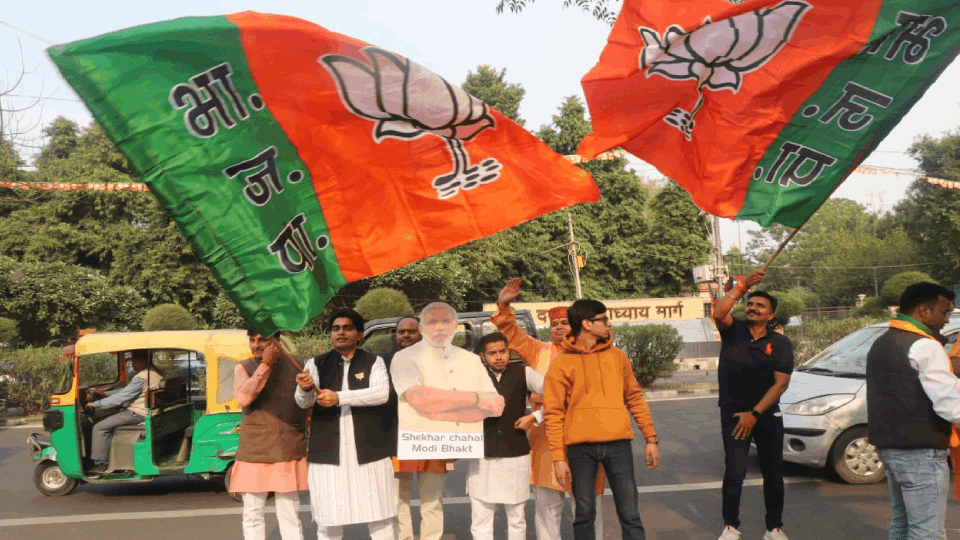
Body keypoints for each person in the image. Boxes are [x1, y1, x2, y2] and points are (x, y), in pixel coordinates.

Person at [491, 278, 605, 540]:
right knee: (547, 507)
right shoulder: (539, 351)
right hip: (545, 441)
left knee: (587, 506)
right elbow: (511, 333)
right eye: (553, 324)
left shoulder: (593, 353)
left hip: (585, 435)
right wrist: (503, 305)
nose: (558, 328)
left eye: (564, 322)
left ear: (577, 325)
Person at [543, 298, 659, 540]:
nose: (608, 323)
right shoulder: (561, 364)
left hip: (619, 445)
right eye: (604, 319)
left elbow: (635, 398)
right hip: (579, 449)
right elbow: (553, 413)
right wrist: (557, 457)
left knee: (630, 513)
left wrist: (651, 438)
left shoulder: (617, 357)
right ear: (587, 323)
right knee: (584, 514)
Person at [866, 282, 960, 540]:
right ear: (924, 311)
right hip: (921, 454)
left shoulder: (882, 342)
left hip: (891, 450)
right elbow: (951, 404)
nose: (946, 319)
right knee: (927, 532)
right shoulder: (926, 346)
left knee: (902, 524)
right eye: (944, 312)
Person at [295, 308, 397, 540]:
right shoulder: (316, 363)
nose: (340, 333)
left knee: (380, 516)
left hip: (370, 451)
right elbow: (304, 403)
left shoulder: (374, 361)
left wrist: (339, 397)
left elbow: (381, 393)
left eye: (347, 328)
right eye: (336, 328)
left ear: (360, 335)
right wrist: (304, 387)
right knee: (329, 519)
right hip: (328, 453)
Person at [711, 270, 793, 540]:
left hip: (766, 416)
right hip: (733, 415)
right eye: (750, 304)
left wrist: (755, 413)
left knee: (773, 474)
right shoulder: (733, 331)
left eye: (760, 306)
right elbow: (719, 312)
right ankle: (731, 527)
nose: (752, 308)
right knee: (734, 472)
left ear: (771, 315)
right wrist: (743, 286)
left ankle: (774, 528)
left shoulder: (780, 343)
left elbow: (780, 383)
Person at [231, 329, 308, 540]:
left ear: (276, 341)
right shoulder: (244, 367)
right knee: (253, 512)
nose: (256, 345)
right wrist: (265, 366)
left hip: (287, 445)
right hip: (254, 449)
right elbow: (243, 398)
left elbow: (307, 405)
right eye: (252, 340)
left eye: (262, 340)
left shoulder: (297, 363)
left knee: (290, 512)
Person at [468, 332, 544, 540]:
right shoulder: (471, 375)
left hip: (516, 452)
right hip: (482, 454)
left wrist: (535, 416)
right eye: (492, 353)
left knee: (517, 517)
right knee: (481, 517)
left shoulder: (523, 372)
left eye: (503, 351)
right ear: (483, 357)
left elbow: (557, 393)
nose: (499, 357)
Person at [384, 316, 450, 540]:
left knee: (432, 503)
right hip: (396, 441)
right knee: (397, 502)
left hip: (432, 440)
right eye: (401, 331)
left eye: (411, 331)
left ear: (421, 333)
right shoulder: (384, 364)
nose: (405, 335)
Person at [390, 302, 503, 431]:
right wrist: (476, 399)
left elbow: (496, 406)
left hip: (465, 443)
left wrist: (434, 412)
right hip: (423, 443)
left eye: (445, 321)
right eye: (432, 322)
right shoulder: (404, 358)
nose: (439, 327)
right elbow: (419, 398)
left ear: (455, 325)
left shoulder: (472, 359)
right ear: (422, 328)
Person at [85, 349, 164, 473]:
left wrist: (95, 404)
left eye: (133, 360)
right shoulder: (154, 372)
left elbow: (121, 398)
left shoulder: (142, 377)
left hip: (138, 413)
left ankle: (101, 464)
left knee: (99, 427)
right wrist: (104, 393)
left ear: (141, 361)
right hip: (150, 411)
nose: (131, 364)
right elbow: (127, 391)